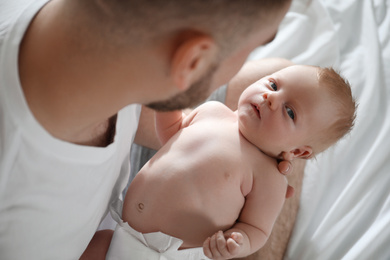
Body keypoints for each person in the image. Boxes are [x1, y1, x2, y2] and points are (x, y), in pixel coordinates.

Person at [0, 0, 294, 259]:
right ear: (192, 62)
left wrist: (224, 158)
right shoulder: (24, 228)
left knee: (291, 98)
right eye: (254, 47)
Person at [81, 62, 357, 259]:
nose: (271, 98)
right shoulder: (213, 111)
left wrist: (238, 243)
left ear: (298, 152)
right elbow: (171, 136)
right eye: (273, 84)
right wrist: (172, 103)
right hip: (119, 232)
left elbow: (256, 229)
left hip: (169, 254)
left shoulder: (269, 178)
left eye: (290, 112)